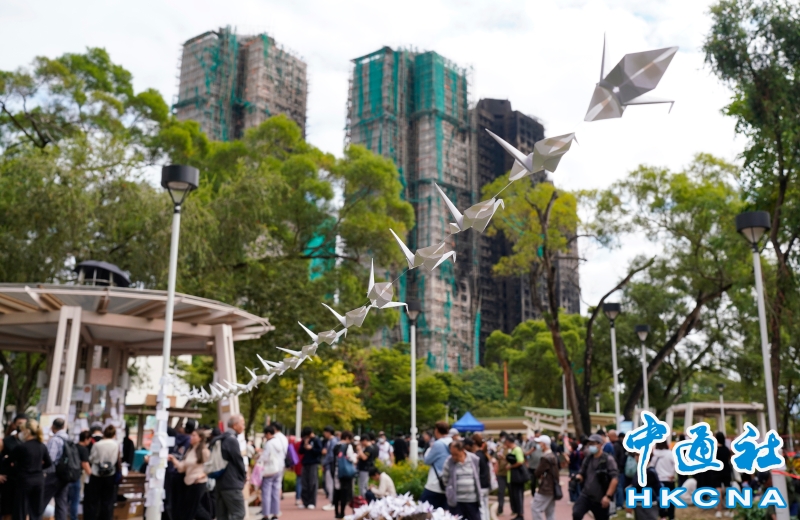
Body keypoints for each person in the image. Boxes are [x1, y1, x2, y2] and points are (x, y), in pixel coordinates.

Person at [11, 419, 52, 520]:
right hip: (38, 480)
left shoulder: (22, 447)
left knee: (20, 510)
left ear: (27, 431)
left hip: (24, 480)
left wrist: (16, 467)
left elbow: (8, 461)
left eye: (22, 430)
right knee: (36, 511)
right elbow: (49, 463)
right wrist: (38, 468)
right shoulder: (42, 446)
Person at [572, 434, 619, 520]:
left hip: (600, 498)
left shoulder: (608, 459)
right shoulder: (588, 458)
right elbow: (582, 473)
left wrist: (608, 496)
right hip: (586, 495)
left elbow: (614, 479)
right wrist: (577, 478)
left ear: (600, 445)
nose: (590, 446)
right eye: (589, 444)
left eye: (593, 443)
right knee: (577, 513)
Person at [169, 428, 211, 520]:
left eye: (194, 435)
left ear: (200, 438)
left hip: (198, 483)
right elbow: (182, 467)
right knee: (190, 509)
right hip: (188, 483)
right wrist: (173, 459)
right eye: (191, 435)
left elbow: (211, 466)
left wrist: (202, 475)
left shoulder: (204, 451)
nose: (191, 437)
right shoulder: (190, 450)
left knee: (194, 509)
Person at [211, 414, 247, 520]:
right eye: (242, 424)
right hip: (232, 483)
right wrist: (243, 476)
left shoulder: (220, 438)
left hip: (220, 482)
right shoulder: (232, 440)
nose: (244, 427)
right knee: (239, 513)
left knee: (222, 516)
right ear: (235, 425)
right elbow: (238, 460)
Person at [85, 425, 119, 520]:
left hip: (96, 473)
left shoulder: (97, 444)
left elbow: (91, 458)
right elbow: (115, 459)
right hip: (110, 474)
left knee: (93, 500)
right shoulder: (115, 445)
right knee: (107, 501)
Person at [441, 440, 481, 520]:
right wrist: (450, 490)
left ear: (462, 450)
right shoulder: (449, 461)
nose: (453, 457)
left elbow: (477, 475)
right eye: (452, 454)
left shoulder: (474, 459)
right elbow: (445, 479)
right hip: (456, 502)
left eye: (456, 454)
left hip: (472, 500)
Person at [695, 432, 731, 519]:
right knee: (728, 490)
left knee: (718, 491)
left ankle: (719, 510)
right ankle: (730, 510)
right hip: (726, 471)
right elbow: (728, 459)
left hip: (717, 472)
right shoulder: (726, 449)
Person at [420, 421, 453, 510]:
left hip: (435, 484)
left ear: (437, 430)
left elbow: (427, 460)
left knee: (424, 510)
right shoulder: (452, 442)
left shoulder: (438, 444)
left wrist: (430, 448)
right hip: (449, 484)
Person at [1, 414, 28, 518]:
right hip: (9, 482)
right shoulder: (7, 441)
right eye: (19, 424)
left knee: (22, 512)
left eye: (24, 424)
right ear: (14, 424)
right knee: (7, 511)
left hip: (24, 482)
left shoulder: (30, 442)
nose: (22, 427)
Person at [43, 418, 70, 520]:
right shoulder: (68, 438)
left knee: (42, 500)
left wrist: (44, 471)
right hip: (65, 475)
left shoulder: (55, 440)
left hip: (54, 475)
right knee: (61, 503)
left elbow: (50, 458)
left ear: (53, 426)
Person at [259, 426, 285, 520]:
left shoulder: (269, 443)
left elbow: (265, 457)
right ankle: (275, 514)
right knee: (275, 492)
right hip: (279, 469)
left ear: (268, 434)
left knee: (266, 493)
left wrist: (259, 458)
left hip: (269, 470)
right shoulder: (279, 442)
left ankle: (266, 514)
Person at [531, 435, 559, 520]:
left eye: (539, 443)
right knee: (550, 512)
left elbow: (537, 472)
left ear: (543, 444)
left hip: (546, 488)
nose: (538, 445)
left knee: (535, 508)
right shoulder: (553, 456)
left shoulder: (545, 458)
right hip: (552, 487)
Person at [332, 431, 357, 519]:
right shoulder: (347, 446)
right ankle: (342, 513)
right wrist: (355, 458)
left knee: (336, 491)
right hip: (345, 472)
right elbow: (351, 458)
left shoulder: (336, 446)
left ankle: (336, 512)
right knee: (344, 492)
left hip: (336, 471)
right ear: (347, 438)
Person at [648, 441, 675, 520]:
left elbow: (651, 466)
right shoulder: (669, 453)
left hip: (658, 480)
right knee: (670, 499)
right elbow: (676, 464)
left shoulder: (655, 454)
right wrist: (672, 474)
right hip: (668, 480)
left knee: (660, 499)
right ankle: (671, 516)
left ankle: (662, 516)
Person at [466, 435, 491, 520]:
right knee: (485, 508)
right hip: (486, 484)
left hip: (480, 485)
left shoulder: (476, 456)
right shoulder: (484, 454)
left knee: (481, 509)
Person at [68, 432, 92, 520]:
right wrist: (91, 473)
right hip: (76, 476)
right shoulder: (84, 449)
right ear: (86, 439)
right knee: (75, 500)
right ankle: (74, 518)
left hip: (68, 476)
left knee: (67, 500)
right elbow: (85, 463)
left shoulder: (73, 446)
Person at [630, 451, 660, 520]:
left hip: (647, 504)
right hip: (640, 504)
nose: (636, 457)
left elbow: (639, 487)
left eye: (638, 455)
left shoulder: (649, 472)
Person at [298, 426, 322, 509]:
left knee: (312, 483)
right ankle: (305, 502)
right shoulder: (305, 440)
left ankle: (312, 502)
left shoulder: (316, 440)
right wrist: (305, 444)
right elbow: (300, 451)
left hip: (313, 463)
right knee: (304, 483)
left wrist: (311, 448)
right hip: (305, 463)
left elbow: (319, 451)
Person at [505, 435, 526, 520]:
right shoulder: (513, 450)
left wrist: (511, 467)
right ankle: (517, 513)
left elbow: (520, 461)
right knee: (514, 496)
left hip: (517, 478)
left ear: (508, 442)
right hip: (512, 477)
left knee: (518, 495)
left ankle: (520, 514)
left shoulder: (517, 450)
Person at [320, 426, 338, 511]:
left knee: (330, 484)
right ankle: (332, 502)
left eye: (325, 432)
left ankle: (333, 502)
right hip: (330, 465)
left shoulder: (333, 441)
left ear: (328, 432)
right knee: (330, 484)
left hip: (330, 465)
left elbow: (331, 455)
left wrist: (324, 463)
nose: (324, 434)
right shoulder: (330, 441)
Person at [356, 433, 378, 497]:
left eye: (362, 442)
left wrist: (359, 450)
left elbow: (364, 457)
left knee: (362, 486)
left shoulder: (369, 448)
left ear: (365, 440)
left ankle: (363, 499)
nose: (361, 443)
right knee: (363, 485)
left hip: (365, 469)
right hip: (364, 468)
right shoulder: (367, 448)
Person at [495, 433, 510, 516]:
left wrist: (503, 457)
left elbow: (512, 461)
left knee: (511, 492)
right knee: (501, 492)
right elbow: (496, 459)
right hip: (500, 473)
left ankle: (514, 509)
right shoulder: (499, 448)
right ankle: (500, 509)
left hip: (509, 473)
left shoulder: (511, 449)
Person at [524, 431, 543, 496]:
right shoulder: (530, 443)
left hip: (541, 466)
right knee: (533, 482)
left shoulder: (542, 443)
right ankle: (533, 495)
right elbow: (526, 453)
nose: (538, 437)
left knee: (541, 481)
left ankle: (541, 494)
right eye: (537, 436)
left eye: (539, 436)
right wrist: (531, 450)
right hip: (532, 466)